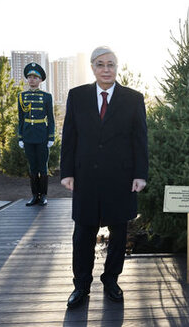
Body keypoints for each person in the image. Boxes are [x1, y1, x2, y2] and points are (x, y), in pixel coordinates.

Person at [60, 46, 148, 309]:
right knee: (83, 234)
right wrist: (67, 172)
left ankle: (111, 280)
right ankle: (81, 285)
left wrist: (140, 175)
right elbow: (70, 136)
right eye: (100, 64)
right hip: (85, 177)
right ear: (92, 67)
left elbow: (139, 139)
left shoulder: (133, 98)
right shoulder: (77, 96)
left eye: (111, 64)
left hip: (120, 179)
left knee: (119, 233)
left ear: (116, 67)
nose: (106, 69)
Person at [18, 62, 55, 206]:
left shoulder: (46, 96)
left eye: (35, 77)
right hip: (28, 136)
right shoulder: (22, 96)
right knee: (32, 167)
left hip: (42, 136)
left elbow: (50, 119)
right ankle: (35, 195)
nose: (32, 79)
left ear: (40, 80)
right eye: (30, 77)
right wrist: (20, 137)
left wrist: (50, 137)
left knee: (43, 167)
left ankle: (44, 195)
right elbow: (20, 119)